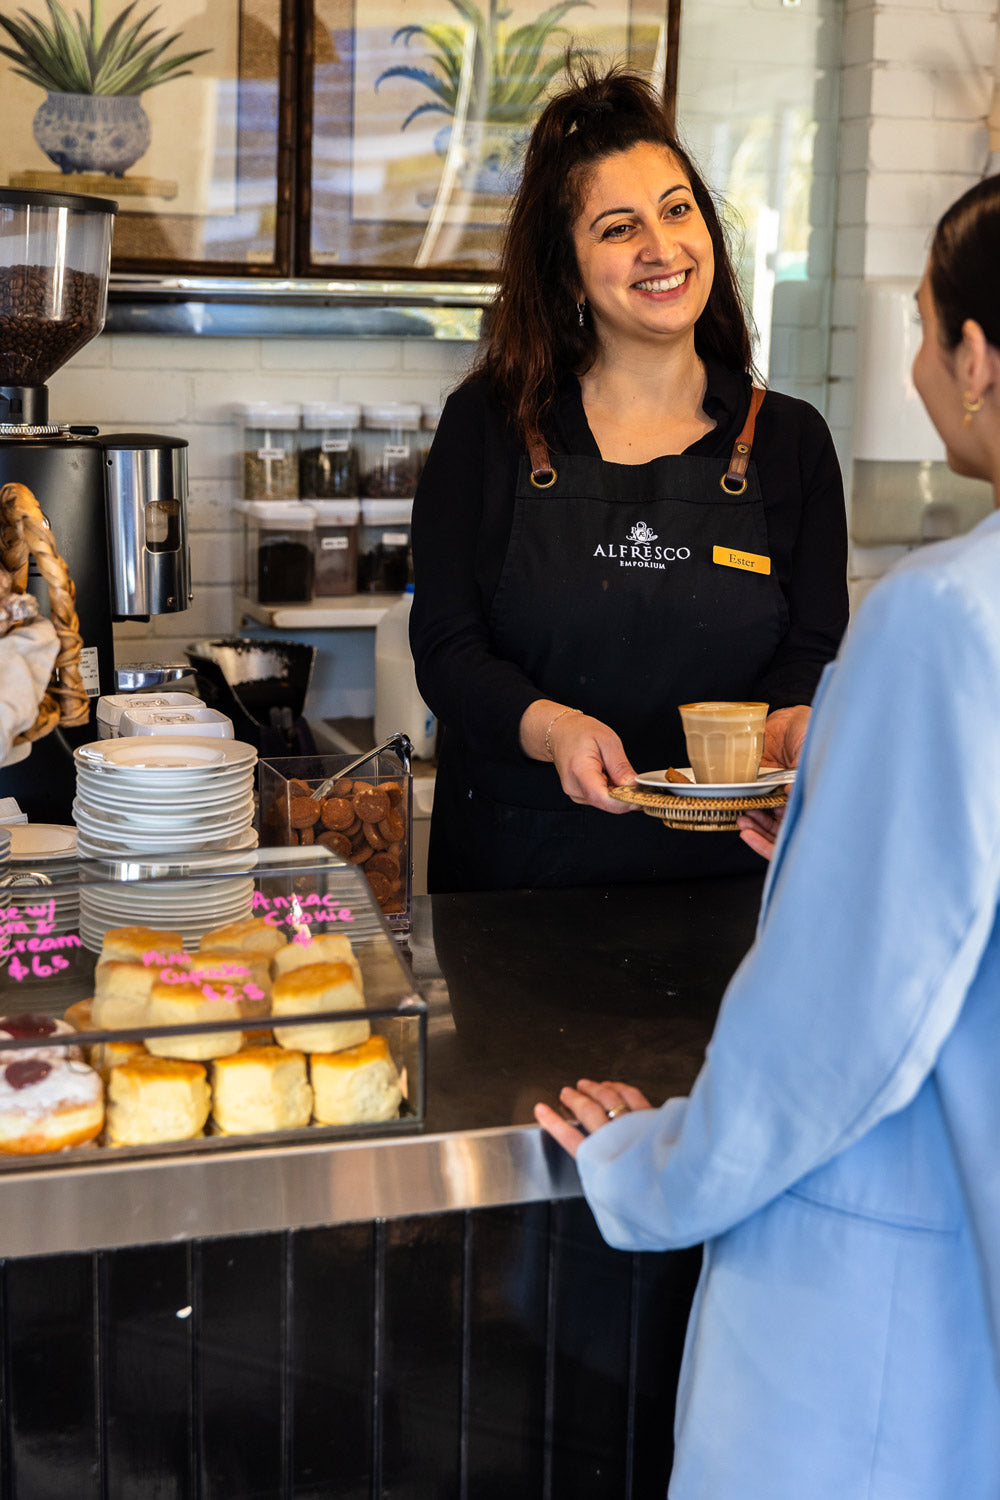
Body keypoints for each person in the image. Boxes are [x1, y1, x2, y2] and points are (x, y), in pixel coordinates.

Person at [535, 173, 1000, 1499]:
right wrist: (848, 804)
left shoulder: (948, 619)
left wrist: (651, 1167)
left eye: (922, 326)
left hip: (895, 1305)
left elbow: (838, 1025)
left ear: (973, 356)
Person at [409, 61, 848, 894]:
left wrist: (794, 723)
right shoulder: (492, 426)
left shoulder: (789, 441)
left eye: (677, 210)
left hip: (730, 875)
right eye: (617, 228)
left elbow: (811, 649)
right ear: (569, 274)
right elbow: (446, 646)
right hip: (519, 878)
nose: (661, 247)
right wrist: (552, 728)